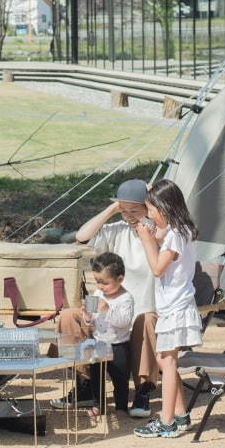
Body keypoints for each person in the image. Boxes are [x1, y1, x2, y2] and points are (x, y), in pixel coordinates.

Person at [74, 179, 160, 417]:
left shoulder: (158, 233)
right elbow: (82, 236)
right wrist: (115, 208)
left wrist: (150, 212)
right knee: (70, 317)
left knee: (147, 321)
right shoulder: (116, 231)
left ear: (148, 207)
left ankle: (143, 389)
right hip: (104, 310)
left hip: (142, 310)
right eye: (125, 211)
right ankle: (84, 384)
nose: (129, 216)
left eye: (135, 210)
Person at [132, 178, 203, 439]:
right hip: (176, 305)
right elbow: (159, 234)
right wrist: (149, 195)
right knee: (166, 359)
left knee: (167, 361)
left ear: (163, 208)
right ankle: (181, 416)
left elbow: (157, 268)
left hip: (176, 307)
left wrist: (145, 241)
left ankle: (167, 422)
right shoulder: (180, 228)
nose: (149, 215)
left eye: (151, 209)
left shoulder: (175, 235)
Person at [50, 251, 135, 416]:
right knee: (97, 377)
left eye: (105, 283)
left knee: (120, 379)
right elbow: (89, 321)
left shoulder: (126, 298)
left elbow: (124, 322)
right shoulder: (97, 294)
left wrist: (107, 310)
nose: (100, 287)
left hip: (119, 345)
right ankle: (98, 404)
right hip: (99, 342)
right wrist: (87, 317)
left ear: (120, 279)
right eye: (97, 282)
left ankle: (121, 406)